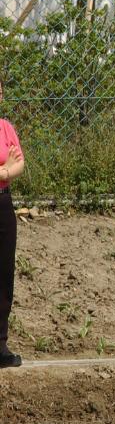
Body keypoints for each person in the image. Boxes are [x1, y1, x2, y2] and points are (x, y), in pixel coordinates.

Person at [0, 78, 24, 369]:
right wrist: (5, 168)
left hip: (3, 201)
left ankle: (0, 343)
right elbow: (10, 165)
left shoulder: (6, 127)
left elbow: (20, 164)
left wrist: (6, 171)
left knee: (4, 274)